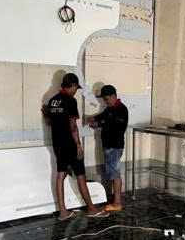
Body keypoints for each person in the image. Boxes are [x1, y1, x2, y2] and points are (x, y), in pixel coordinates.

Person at [44, 73, 106, 220]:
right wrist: (78, 146)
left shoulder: (52, 101)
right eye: (76, 88)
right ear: (72, 85)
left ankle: (63, 212)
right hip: (69, 144)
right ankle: (91, 209)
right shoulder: (70, 101)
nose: (75, 91)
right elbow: (73, 126)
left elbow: (48, 122)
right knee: (80, 175)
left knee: (60, 175)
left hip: (57, 144)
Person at [89, 84, 128, 212]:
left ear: (114, 96)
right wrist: (94, 118)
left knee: (115, 175)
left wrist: (99, 123)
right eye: (104, 100)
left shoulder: (121, 109)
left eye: (106, 99)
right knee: (112, 174)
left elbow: (116, 126)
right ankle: (115, 200)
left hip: (114, 147)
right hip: (109, 146)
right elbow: (104, 116)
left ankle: (117, 203)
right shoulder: (110, 108)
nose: (105, 102)